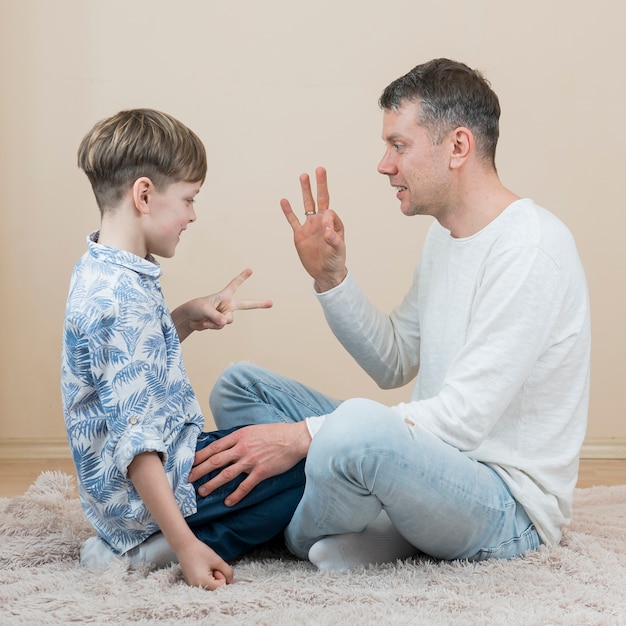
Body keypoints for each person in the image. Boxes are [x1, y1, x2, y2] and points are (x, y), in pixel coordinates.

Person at [188, 58, 591, 572]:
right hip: (430, 463)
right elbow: (395, 361)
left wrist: (301, 437)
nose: (383, 164)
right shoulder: (445, 236)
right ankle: (381, 526)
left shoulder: (530, 249)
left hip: (505, 503)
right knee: (239, 388)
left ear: (458, 147)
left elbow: (463, 421)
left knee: (354, 429)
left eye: (399, 146)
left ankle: (254, 529)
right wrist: (332, 277)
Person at [61, 108, 306, 590]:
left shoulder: (105, 267)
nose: (193, 215)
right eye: (189, 199)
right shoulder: (120, 299)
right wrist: (187, 547)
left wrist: (183, 319)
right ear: (145, 195)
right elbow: (137, 445)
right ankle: (156, 546)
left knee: (266, 452)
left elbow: (125, 372)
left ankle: (155, 537)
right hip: (144, 487)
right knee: (304, 468)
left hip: (144, 474)